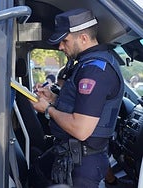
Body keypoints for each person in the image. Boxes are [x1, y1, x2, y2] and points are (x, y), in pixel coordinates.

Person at [30, 8, 124, 188]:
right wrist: (53, 99)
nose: (60, 47)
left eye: (64, 41)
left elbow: (81, 129)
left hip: (82, 165)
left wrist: (48, 110)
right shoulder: (86, 64)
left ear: (83, 38)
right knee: (36, 172)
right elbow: (79, 106)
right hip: (71, 155)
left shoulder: (95, 70)